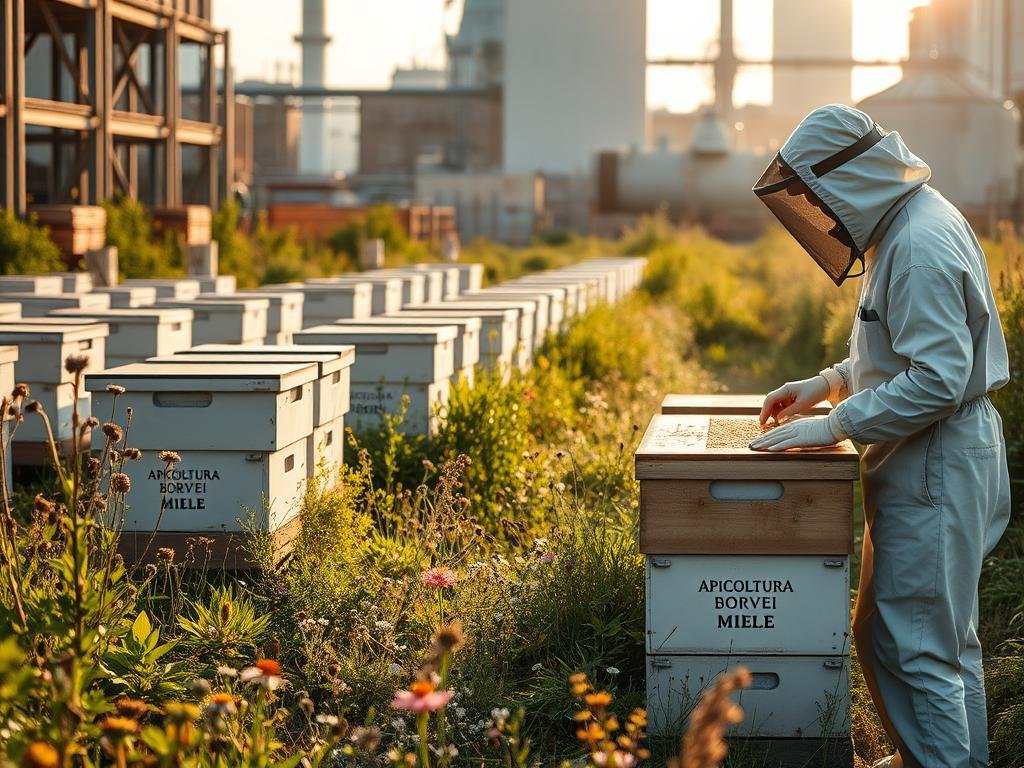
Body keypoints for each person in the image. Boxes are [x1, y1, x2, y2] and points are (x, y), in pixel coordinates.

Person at [747, 104, 1011, 768]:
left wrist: (833, 425)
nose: (823, 216)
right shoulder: (908, 227)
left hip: (936, 455)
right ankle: (938, 757)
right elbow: (897, 349)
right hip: (934, 454)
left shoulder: (918, 244)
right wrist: (829, 384)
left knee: (917, 645)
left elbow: (935, 379)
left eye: (820, 197)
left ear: (851, 179)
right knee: (927, 638)